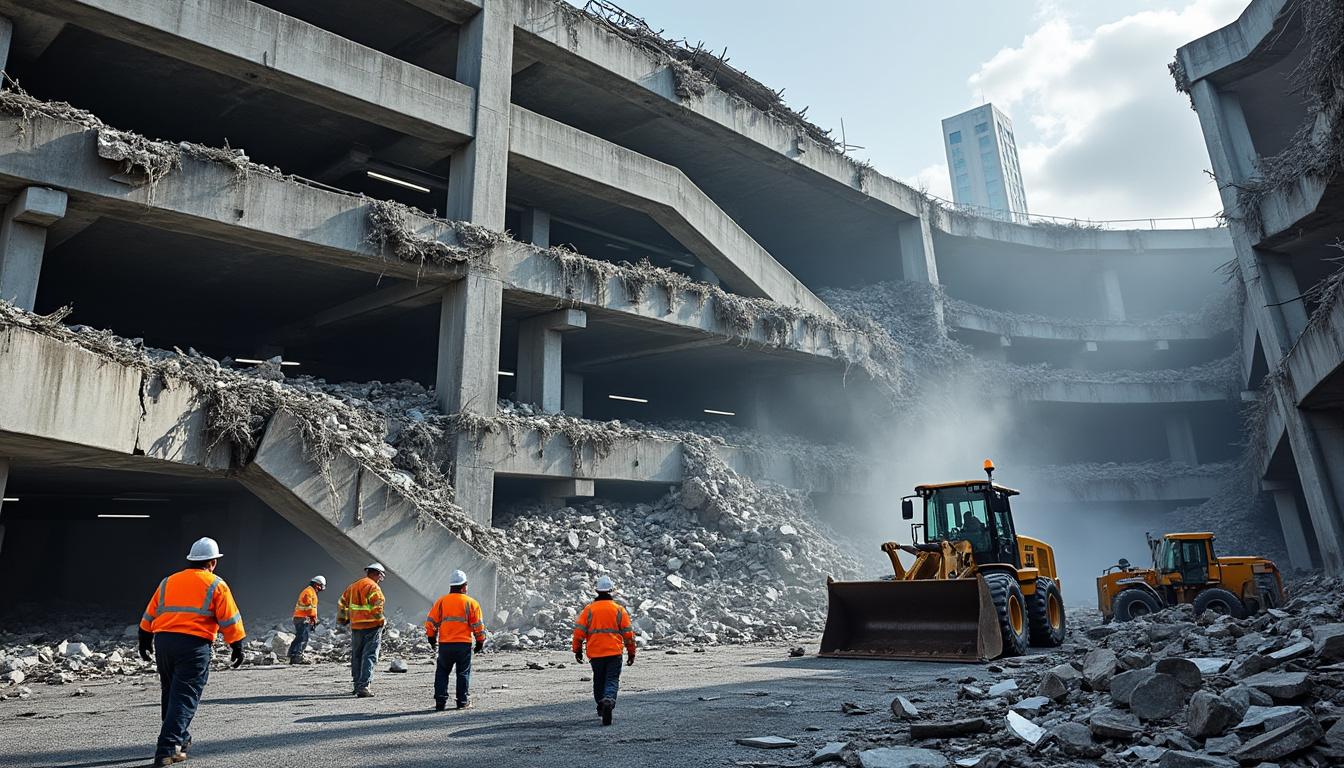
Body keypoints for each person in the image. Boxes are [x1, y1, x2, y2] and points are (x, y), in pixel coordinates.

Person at [137, 537, 246, 767]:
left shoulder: (168, 581)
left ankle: (181, 741)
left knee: (171, 693)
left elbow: (150, 613)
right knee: (184, 697)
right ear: (213, 562)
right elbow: (229, 618)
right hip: (194, 646)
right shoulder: (217, 584)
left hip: (164, 643)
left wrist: (144, 639)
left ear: (191, 560)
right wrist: (236, 645)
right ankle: (167, 749)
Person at [572, 575, 636, 726]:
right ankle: (608, 700)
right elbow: (628, 634)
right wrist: (631, 652)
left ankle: (601, 706)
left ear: (597, 591)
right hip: (614, 653)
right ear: (611, 591)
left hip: (596, 654)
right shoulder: (619, 610)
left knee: (599, 680)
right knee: (612, 679)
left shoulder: (589, 610)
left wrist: (577, 650)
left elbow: (579, 632)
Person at [424, 569, 486, 711]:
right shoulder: (471, 603)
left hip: (445, 644)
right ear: (464, 586)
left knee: (442, 672)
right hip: (463, 645)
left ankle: (440, 702)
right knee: (463, 673)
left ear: (451, 586)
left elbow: (431, 622)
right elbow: (478, 625)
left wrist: (432, 638)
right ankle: (462, 702)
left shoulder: (441, 602)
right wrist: (480, 641)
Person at [337, 563, 386, 698]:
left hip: (356, 626)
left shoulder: (353, 586)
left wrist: (343, 619)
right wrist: (382, 622)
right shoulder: (373, 587)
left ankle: (357, 685)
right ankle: (364, 687)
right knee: (369, 655)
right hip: (372, 627)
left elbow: (342, 602)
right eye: (382, 575)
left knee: (357, 655)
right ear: (377, 574)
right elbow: (377, 608)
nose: (382, 578)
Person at [288, 575, 326, 664]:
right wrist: (313, 618)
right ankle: (297, 656)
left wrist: (313, 619)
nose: (322, 588)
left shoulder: (310, 591)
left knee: (301, 637)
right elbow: (308, 607)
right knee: (302, 638)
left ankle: (294, 655)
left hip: (303, 618)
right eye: (321, 585)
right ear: (317, 584)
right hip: (302, 618)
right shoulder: (308, 592)